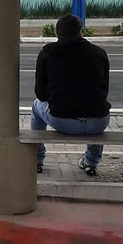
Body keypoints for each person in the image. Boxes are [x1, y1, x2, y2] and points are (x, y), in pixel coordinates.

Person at [31, 13, 111, 176]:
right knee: (97, 105)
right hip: (98, 122)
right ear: (80, 32)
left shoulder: (47, 54)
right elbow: (104, 90)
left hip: (62, 121)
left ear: (57, 34)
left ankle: (37, 160)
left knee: (36, 107)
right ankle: (91, 162)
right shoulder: (99, 53)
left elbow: (40, 94)